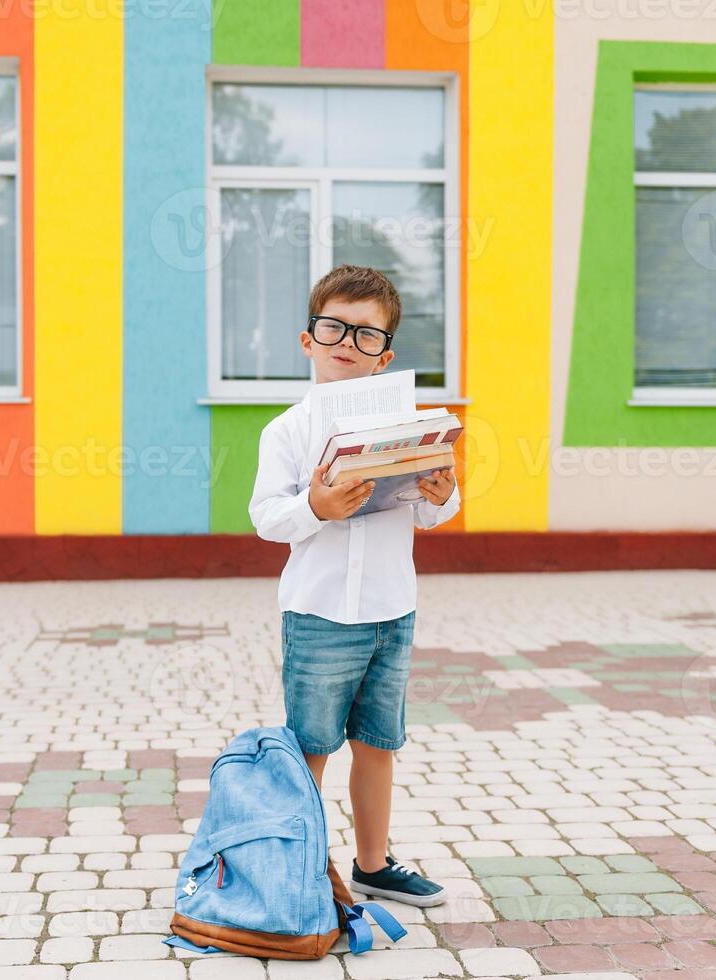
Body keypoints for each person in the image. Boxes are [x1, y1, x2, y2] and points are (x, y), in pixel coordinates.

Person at [248, 264, 459, 907]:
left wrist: (443, 496)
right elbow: (266, 517)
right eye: (334, 326)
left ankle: (372, 865)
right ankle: (305, 869)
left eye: (367, 335)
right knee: (311, 749)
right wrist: (316, 507)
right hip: (319, 613)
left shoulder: (409, 428)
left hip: (392, 610)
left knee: (378, 744)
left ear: (385, 356)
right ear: (309, 339)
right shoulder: (287, 431)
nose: (348, 341)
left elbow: (427, 511)